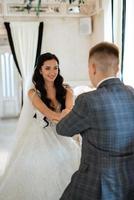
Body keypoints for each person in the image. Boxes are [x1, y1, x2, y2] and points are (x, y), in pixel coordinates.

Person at [56, 41, 134, 200]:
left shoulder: (88, 100)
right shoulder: (132, 93)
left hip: (96, 184)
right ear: (117, 68)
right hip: (129, 180)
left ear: (92, 68)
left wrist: (65, 113)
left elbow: (63, 129)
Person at [0, 53, 80, 200]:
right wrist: (63, 115)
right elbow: (49, 113)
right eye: (48, 68)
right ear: (40, 70)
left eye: (55, 68)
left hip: (62, 133)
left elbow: (70, 112)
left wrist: (65, 114)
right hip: (40, 134)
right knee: (43, 170)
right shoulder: (33, 93)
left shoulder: (67, 90)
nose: (52, 72)